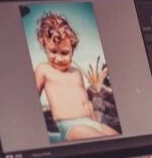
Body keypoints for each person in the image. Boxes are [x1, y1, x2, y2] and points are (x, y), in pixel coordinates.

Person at [33, 12, 119, 142]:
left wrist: (96, 123)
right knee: (103, 142)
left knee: (118, 138)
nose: (59, 58)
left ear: (73, 50)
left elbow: (86, 102)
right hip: (72, 126)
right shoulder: (43, 70)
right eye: (53, 51)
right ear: (44, 47)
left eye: (65, 53)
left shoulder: (76, 72)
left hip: (91, 122)